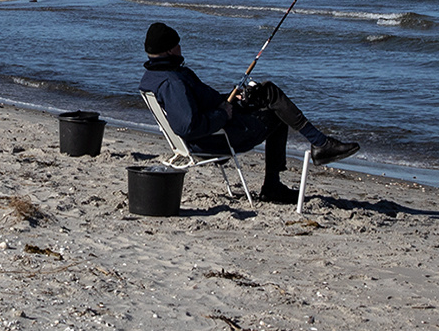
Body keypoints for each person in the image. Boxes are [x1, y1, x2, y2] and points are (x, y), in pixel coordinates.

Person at [137, 21, 360, 205]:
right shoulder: (172, 82)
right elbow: (188, 126)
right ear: (168, 50)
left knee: (266, 91)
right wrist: (224, 114)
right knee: (277, 116)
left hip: (215, 127)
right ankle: (282, 178)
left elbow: (199, 102)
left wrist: (232, 99)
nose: (180, 49)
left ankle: (318, 144)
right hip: (213, 140)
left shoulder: (157, 75)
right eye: (177, 46)